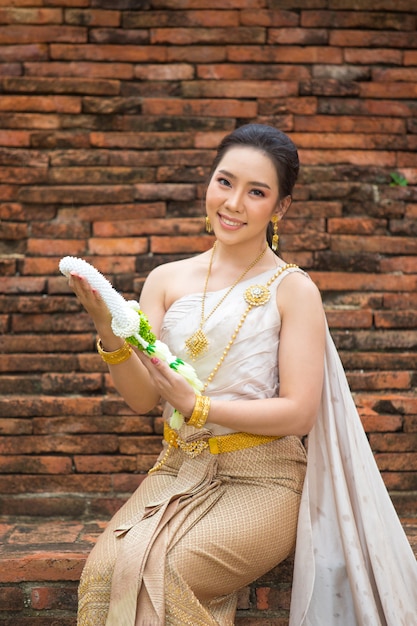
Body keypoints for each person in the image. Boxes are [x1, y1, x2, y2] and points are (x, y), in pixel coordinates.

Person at [67, 124, 417, 626]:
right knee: (101, 574)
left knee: (161, 573)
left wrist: (199, 407)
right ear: (209, 182)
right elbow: (144, 398)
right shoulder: (165, 280)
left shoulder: (292, 289)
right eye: (225, 182)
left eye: (256, 192)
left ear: (280, 208)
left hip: (264, 478)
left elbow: (299, 412)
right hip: (176, 470)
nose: (233, 203)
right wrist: (107, 329)